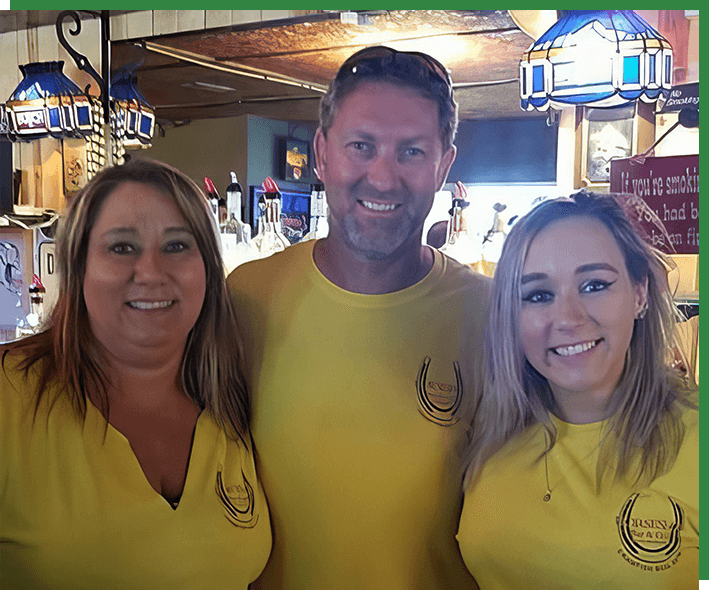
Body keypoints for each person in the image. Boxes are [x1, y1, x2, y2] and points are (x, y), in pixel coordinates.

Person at [227, 46, 491, 589]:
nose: (383, 176)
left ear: (444, 165)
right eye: (361, 146)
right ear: (322, 154)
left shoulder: (492, 316)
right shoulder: (246, 297)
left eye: (412, 152)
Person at [0, 159, 271, 589]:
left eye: (177, 246)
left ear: (208, 270)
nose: (150, 272)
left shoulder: (233, 399)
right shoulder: (10, 396)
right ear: (78, 267)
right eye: (121, 247)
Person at [457, 191, 698, 589]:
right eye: (538, 295)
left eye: (594, 285)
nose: (567, 318)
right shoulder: (490, 431)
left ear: (639, 294)